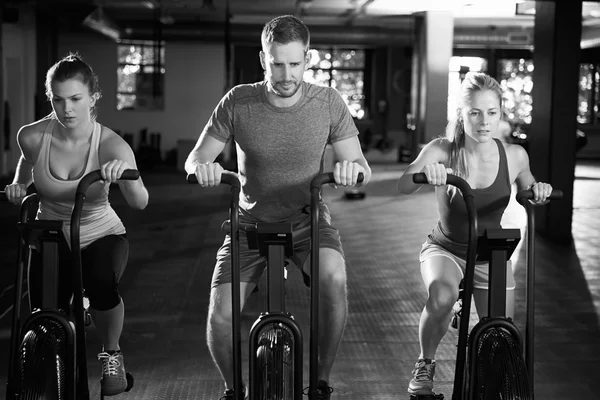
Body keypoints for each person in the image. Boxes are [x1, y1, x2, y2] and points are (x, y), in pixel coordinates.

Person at [185, 15, 371, 400]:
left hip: (307, 220)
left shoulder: (328, 102)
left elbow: (361, 165)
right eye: (276, 63)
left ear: (307, 58)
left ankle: (319, 382)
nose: (286, 74)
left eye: (294, 63)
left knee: (334, 279)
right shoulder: (238, 101)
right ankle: (235, 389)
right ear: (262, 58)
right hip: (249, 222)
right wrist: (202, 168)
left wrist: (352, 170)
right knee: (220, 316)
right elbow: (195, 158)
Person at [396, 72, 552, 397]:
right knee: (441, 296)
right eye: (475, 113)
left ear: (500, 113)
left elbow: (528, 189)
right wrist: (426, 175)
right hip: (446, 249)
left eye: (491, 113)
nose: (483, 122)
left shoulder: (515, 155)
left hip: (491, 254)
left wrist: (538, 190)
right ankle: (425, 362)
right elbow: (403, 185)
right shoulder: (442, 149)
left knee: (500, 333)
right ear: (462, 114)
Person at [3, 53, 149, 396]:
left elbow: (141, 202)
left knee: (100, 282)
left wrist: (123, 177)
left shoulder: (112, 145)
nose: (66, 108)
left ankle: (112, 354)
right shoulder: (33, 136)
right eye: (57, 99)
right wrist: (19, 186)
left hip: (101, 234)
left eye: (75, 99)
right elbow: (26, 166)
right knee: (44, 313)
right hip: (50, 237)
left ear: (93, 98)